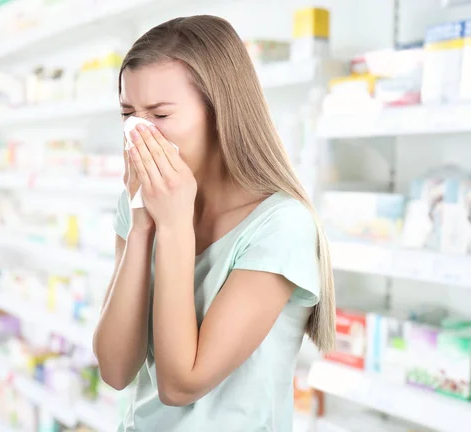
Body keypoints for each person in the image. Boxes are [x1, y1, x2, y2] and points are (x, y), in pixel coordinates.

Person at [92, 15, 335, 432]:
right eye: (128, 113)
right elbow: (115, 370)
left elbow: (180, 384)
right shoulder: (140, 207)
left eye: (160, 115)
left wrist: (173, 229)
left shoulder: (281, 226)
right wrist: (141, 226)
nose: (137, 133)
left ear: (220, 114)